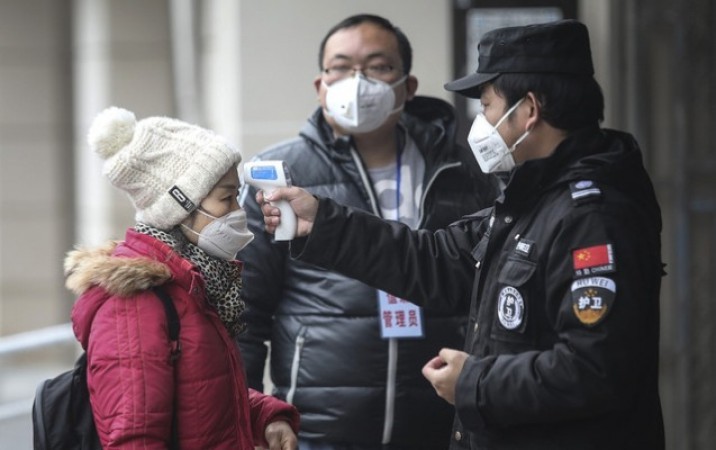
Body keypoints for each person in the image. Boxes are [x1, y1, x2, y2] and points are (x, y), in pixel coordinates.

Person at [254, 19, 665, 450]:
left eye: (487, 105)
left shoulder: (591, 216)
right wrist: (321, 223)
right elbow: (437, 260)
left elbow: (594, 369)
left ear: (528, 111)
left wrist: (475, 382)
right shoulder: (531, 201)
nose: (481, 122)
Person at [236, 13, 498, 450]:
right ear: (320, 85)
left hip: (444, 420)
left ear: (407, 87)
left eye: (378, 67)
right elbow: (245, 312)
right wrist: (247, 411)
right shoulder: (280, 175)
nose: (357, 82)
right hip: (317, 426)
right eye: (340, 68)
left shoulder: (465, 171)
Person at [65, 106, 300, 449]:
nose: (238, 211)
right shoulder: (135, 304)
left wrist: (265, 416)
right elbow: (135, 438)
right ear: (181, 206)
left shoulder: (191, 285)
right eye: (226, 198)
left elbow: (202, 397)